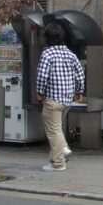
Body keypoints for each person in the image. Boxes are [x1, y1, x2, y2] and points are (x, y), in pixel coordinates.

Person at [36, 22, 85, 172]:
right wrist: (78, 92)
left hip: (52, 98)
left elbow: (42, 76)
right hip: (67, 100)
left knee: (53, 130)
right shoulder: (71, 55)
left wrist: (39, 92)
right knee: (56, 128)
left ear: (48, 38)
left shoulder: (47, 54)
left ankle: (59, 161)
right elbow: (80, 76)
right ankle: (57, 155)